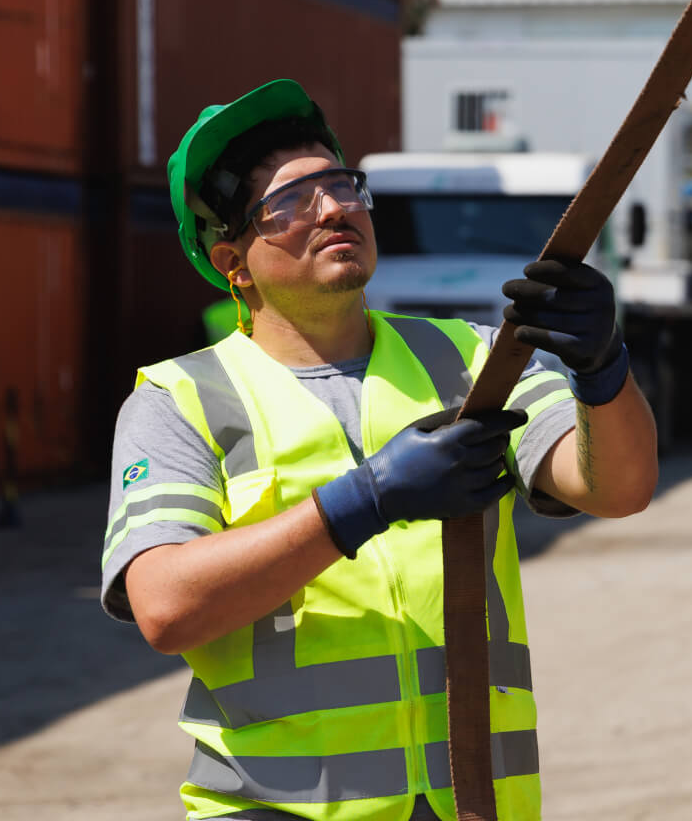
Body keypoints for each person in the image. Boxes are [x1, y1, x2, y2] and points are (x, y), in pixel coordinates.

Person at [99, 79, 657, 821]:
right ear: (233, 260)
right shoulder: (181, 402)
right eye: (289, 202)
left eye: (341, 185)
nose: (334, 208)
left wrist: (603, 368)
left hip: (471, 804)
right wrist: (366, 501)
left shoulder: (468, 358)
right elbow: (165, 608)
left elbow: (616, 488)